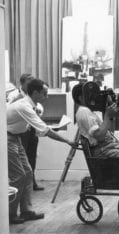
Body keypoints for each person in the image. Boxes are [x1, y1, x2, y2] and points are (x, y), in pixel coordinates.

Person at [7, 79, 77, 224]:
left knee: (27, 173)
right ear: (35, 93)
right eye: (44, 93)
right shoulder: (24, 106)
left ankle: (26, 211)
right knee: (18, 176)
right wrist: (67, 141)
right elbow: (44, 130)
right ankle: (10, 214)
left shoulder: (31, 106)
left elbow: (39, 127)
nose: (47, 96)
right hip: (7, 138)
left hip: (16, 138)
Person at [7, 73, 45, 191]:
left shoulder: (34, 96)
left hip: (31, 129)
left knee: (32, 156)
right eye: (28, 83)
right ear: (22, 84)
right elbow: (8, 109)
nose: (31, 85)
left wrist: (38, 111)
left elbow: (40, 109)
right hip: (18, 131)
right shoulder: (14, 94)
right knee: (19, 161)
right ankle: (19, 187)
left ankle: (32, 181)